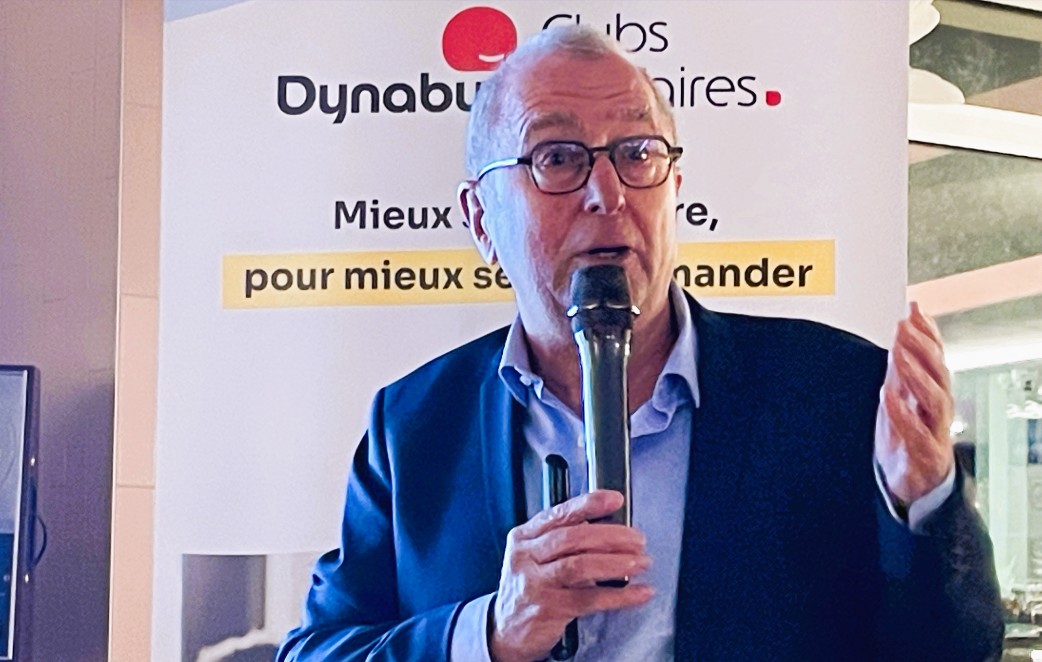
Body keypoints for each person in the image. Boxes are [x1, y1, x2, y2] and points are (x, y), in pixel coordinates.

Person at [278, 25, 1003, 661]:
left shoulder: (835, 392)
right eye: (557, 158)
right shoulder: (415, 427)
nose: (609, 192)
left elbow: (959, 651)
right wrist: (491, 633)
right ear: (480, 219)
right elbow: (317, 650)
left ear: (673, 185)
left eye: (636, 153)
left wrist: (923, 505)